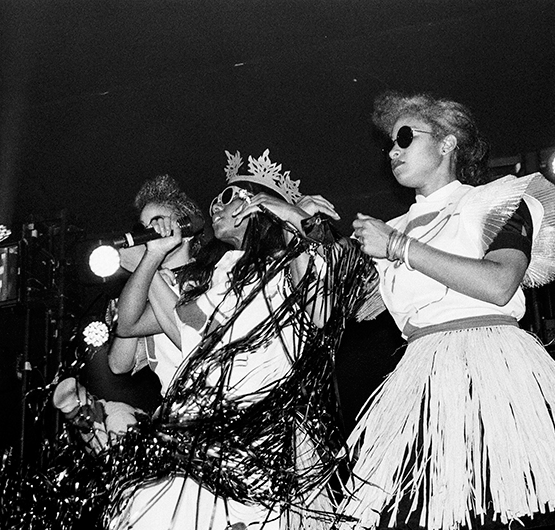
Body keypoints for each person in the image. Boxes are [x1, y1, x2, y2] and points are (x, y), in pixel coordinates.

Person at [343, 90, 555, 530]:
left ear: (448, 142)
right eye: (391, 144)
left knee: (508, 509)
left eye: (406, 137)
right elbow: (334, 312)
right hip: (420, 375)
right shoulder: (385, 231)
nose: (393, 151)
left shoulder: (500, 199)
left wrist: (398, 248)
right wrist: (299, 228)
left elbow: (497, 282)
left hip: (494, 369)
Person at [105, 150, 377, 530]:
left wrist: (297, 218)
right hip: (205, 423)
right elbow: (139, 335)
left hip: (259, 424)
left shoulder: (287, 264)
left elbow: (327, 294)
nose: (216, 206)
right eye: (215, 199)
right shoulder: (222, 274)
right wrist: (149, 260)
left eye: (230, 198)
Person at [52, 174, 204, 454]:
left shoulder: (207, 277)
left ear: (184, 229)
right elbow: (120, 363)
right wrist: (146, 271)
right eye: (144, 226)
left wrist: (146, 266)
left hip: (212, 411)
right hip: (178, 417)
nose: (150, 231)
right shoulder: (149, 284)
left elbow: (189, 335)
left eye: (159, 222)